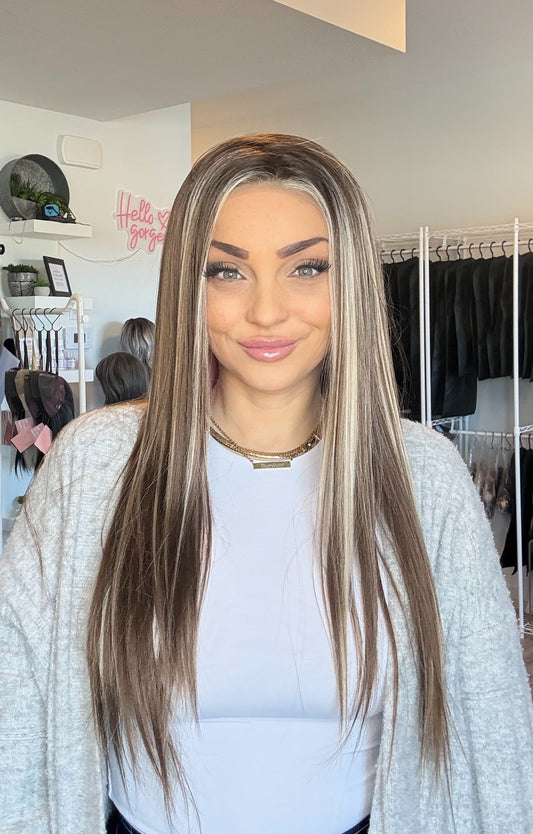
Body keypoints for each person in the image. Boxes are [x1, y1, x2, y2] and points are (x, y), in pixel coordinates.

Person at [1, 134, 532, 834]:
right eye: (227, 272)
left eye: (306, 268)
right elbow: (19, 698)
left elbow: (491, 725)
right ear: (187, 287)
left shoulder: (421, 474)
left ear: (350, 286)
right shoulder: (97, 463)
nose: (267, 312)